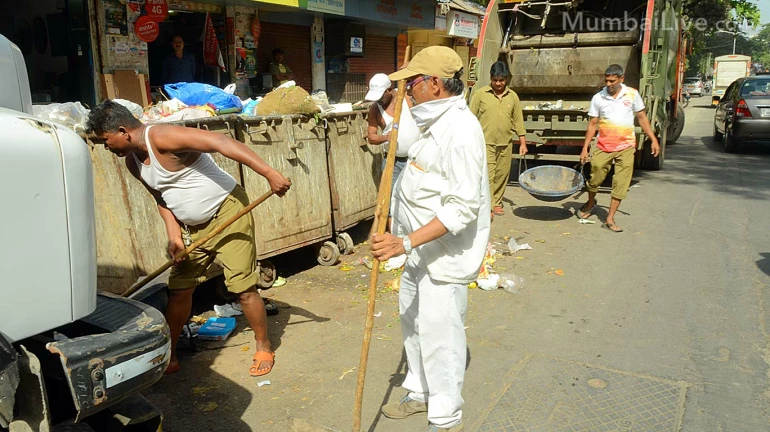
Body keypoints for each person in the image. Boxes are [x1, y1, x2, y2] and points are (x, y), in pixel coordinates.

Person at [86, 100, 292, 376]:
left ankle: (263, 345)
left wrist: (269, 173)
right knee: (180, 289)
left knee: (242, 288)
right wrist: (174, 236)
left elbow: (220, 141)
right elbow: (161, 197)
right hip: (191, 229)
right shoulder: (132, 163)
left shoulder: (162, 137)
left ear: (123, 131)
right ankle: (168, 354)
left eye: (105, 139)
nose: (105, 146)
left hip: (227, 213)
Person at [371, 46, 491, 432]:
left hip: (444, 258)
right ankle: (420, 390)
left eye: (413, 84)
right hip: (419, 252)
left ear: (435, 84)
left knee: (441, 336)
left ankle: (444, 415)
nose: (407, 92)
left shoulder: (460, 131)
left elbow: (461, 208)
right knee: (413, 322)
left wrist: (404, 243)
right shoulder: (429, 121)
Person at [577, 64, 660, 232]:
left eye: (612, 81)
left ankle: (610, 218)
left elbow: (642, 117)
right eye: (607, 81)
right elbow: (593, 124)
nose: (609, 84)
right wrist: (585, 148)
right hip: (603, 145)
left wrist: (653, 139)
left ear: (621, 79)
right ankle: (591, 201)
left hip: (626, 146)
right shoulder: (598, 98)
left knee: (621, 183)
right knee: (595, 175)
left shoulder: (632, 94)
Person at [469, 61, 528, 217]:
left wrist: (523, 142)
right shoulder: (480, 94)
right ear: (491, 78)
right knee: (488, 173)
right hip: (485, 143)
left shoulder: (513, 97)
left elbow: (518, 120)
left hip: (505, 143)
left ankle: (497, 202)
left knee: (502, 174)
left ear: (506, 79)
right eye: (495, 80)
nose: (498, 83)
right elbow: (470, 117)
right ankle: (487, 205)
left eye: (501, 80)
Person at [365, 73, 420, 192]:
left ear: (389, 90)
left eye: (380, 97)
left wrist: (409, 70)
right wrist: (386, 137)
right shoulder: (375, 109)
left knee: (413, 194)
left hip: (415, 158)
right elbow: (371, 137)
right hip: (393, 160)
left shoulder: (405, 96)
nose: (378, 101)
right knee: (389, 195)